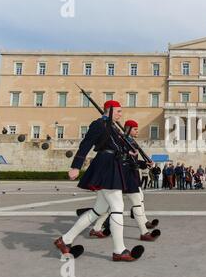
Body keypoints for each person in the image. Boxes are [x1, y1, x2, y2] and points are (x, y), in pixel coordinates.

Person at [54, 100, 142, 262]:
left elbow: (117, 146)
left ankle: (65, 240)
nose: (121, 114)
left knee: (98, 210)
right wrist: (76, 166)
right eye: (118, 111)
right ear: (109, 110)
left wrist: (130, 154)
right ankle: (119, 250)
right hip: (106, 165)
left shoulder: (113, 127)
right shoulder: (99, 124)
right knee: (117, 207)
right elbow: (86, 144)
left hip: (113, 164)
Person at [90, 120, 160, 242]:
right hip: (126, 175)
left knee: (110, 206)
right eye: (135, 129)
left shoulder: (130, 141)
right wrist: (142, 164)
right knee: (136, 202)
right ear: (128, 129)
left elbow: (132, 160)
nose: (137, 131)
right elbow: (125, 160)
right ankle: (144, 232)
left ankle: (96, 228)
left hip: (129, 174)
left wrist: (145, 164)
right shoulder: (123, 141)